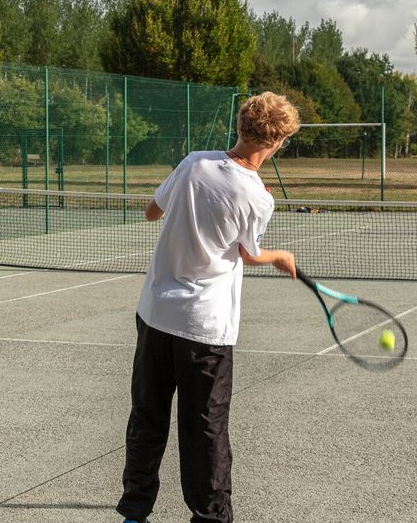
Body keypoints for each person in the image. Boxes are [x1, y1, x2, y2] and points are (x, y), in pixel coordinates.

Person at [117, 91, 301, 523]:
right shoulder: (257, 197)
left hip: (155, 315)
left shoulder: (194, 161)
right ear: (274, 143)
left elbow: (150, 212)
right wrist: (279, 256)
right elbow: (248, 253)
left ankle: (133, 513)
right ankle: (211, 517)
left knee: (147, 417)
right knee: (205, 430)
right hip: (205, 329)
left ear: (241, 128)